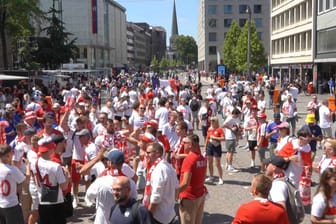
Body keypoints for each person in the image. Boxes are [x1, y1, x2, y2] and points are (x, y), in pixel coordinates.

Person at [32, 141, 70, 224]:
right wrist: (67, 175)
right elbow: (64, 187)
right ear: (50, 150)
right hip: (56, 203)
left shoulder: (34, 163)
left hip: (42, 201)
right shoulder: (55, 166)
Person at [143, 142, 179, 223]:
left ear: (157, 153)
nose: (146, 155)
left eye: (148, 152)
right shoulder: (169, 166)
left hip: (158, 217)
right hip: (170, 214)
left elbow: (156, 198)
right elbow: (177, 189)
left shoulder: (158, 170)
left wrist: (147, 217)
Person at [177, 134, 207, 224]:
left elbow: (185, 183)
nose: (183, 144)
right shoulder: (201, 158)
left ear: (190, 145)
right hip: (200, 194)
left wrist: (175, 193)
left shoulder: (189, 159)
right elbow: (203, 176)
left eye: (185, 142)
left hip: (189, 197)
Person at [0, 144, 26, 224]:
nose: (13, 155)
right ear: (7, 155)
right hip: (12, 205)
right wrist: (28, 166)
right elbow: (24, 181)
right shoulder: (12, 169)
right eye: (12, 153)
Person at [204, 117, 225, 184]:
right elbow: (207, 138)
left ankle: (220, 178)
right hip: (210, 146)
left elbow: (223, 138)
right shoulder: (209, 129)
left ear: (216, 121)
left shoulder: (220, 129)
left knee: (217, 163)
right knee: (209, 162)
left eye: (213, 121)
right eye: (211, 121)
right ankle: (211, 176)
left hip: (217, 146)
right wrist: (205, 147)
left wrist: (215, 137)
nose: (212, 122)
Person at [223, 108, 241, 172]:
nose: (239, 116)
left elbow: (238, 127)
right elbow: (224, 125)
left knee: (229, 152)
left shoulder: (237, 119)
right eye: (238, 114)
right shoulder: (230, 118)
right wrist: (231, 129)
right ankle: (230, 166)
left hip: (233, 137)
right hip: (230, 137)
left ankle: (228, 164)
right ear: (235, 114)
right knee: (230, 152)